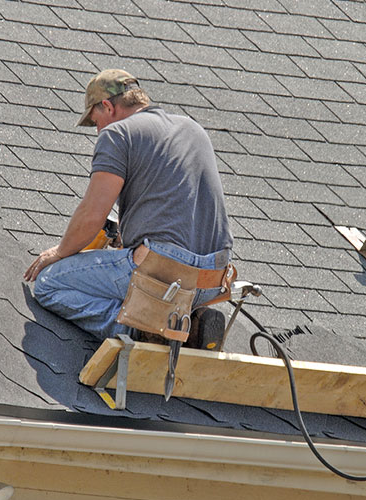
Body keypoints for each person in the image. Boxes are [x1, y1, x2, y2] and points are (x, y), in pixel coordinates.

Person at [24, 69, 233, 347]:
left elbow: (92, 214)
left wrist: (60, 252)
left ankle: (143, 329)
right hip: (211, 280)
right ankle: (193, 326)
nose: (99, 130)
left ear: (108, 107)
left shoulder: (117, 134)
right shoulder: (192, 129)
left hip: (161, 274)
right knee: (134, 261)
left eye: (96, 121)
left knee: (50, 284)